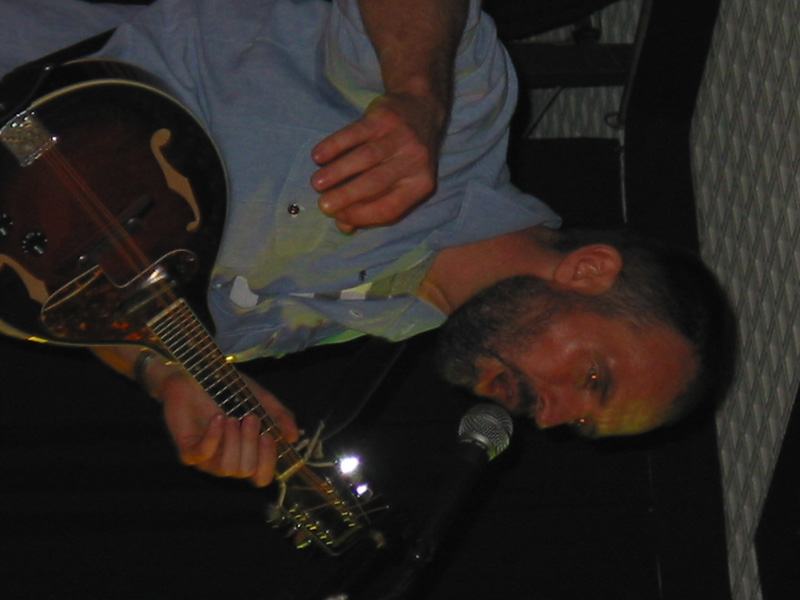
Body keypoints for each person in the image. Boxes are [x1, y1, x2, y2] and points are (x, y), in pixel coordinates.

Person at [0, 0, 735, 489]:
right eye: (593, 378)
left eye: (577, 423)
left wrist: (166, 373)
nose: (547, 415)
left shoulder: (348, 328)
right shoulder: (462, 128)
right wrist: (418, 95)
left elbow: (95, 283)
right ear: (589, 269)